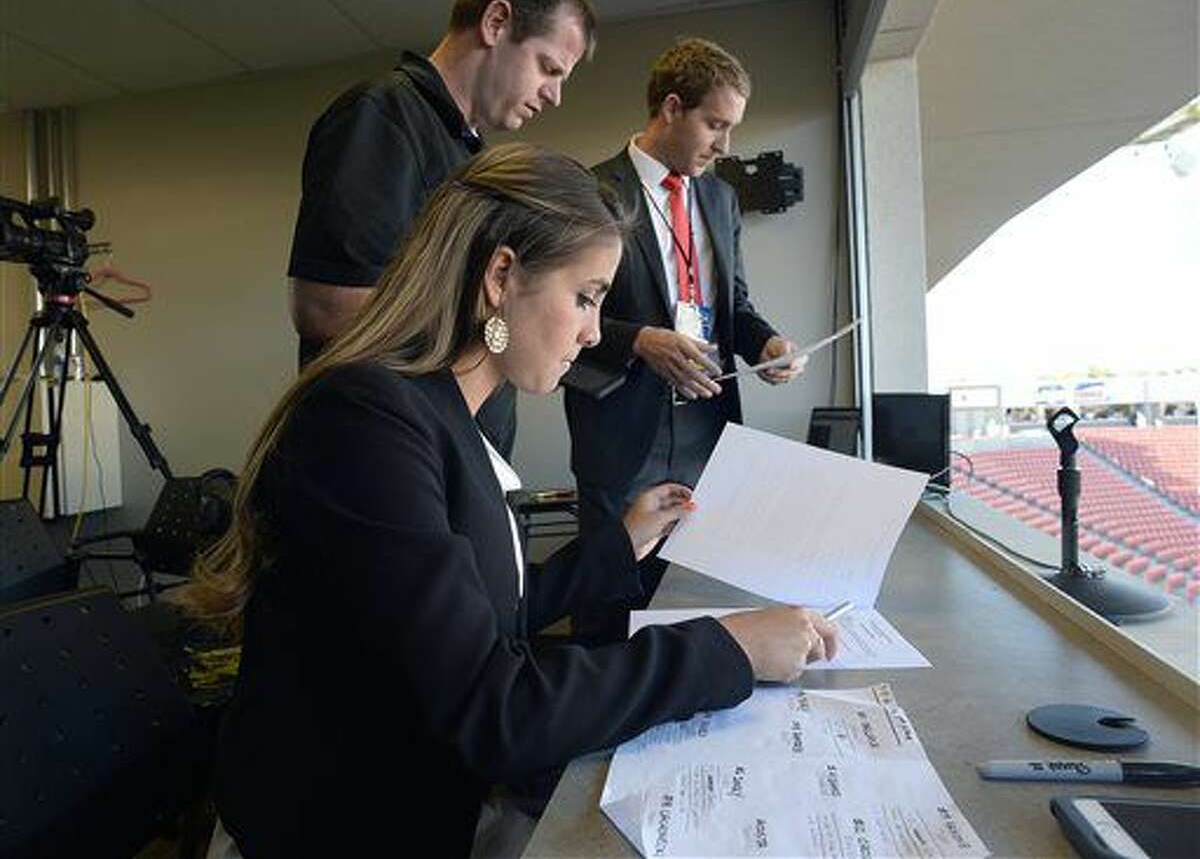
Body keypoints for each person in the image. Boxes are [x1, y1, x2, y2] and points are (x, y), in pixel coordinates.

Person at [186, 144, 838, 858]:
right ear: (502, 276)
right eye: (587, 297)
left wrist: (617, 545)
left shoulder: (440, 417)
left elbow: (485, 620)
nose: (594, 331)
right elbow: (493, 707)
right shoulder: (366, 419)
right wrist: (727, 649)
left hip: (425, 802)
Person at [287, 0, 596, 457]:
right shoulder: (383, 115)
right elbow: (328, 307)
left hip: (462, 450)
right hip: (393, 447)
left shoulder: (470, 154)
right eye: (548, 67)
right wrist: (498, 332)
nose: (555, 94)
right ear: (496, 23)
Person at [564, 37, 808, 641]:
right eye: (715, 125)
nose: (725, 145)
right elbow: (561, 312)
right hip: (623, 433)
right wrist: (639, 339)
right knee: (612, 603)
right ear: (671, 108)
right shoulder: (590, 191)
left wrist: (769, 344)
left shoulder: (721, 198)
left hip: (708, 428)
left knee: (696, 599)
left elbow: (736, 309)